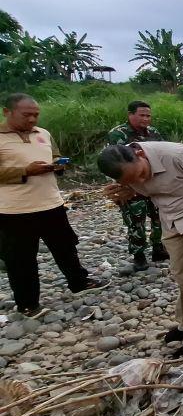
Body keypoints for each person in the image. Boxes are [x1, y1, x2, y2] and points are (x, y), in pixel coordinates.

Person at [98, 141, 183, 356]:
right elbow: (143, 192)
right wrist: (126, 195)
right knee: (180, 273)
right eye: (133, 181)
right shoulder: (128, 173)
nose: (141, 181)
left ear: (139, 153)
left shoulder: (177, 155)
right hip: (170, 218)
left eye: (141, 174)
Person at [0, 94, 108, 318]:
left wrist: (57, 165)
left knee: (66, 247)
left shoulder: (44, 133)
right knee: (20, 259)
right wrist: (24, 171)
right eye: (26, 115)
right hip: (14, 211)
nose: (32, 120)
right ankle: (27, 303)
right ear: (7, 112)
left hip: (51, 203)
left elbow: (55, 155)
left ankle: (78, 282)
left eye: (36, 115)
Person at [107, 101, 168, 272]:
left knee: (159, 218)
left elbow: (162, 154)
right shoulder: (118, 134)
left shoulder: (154, 133)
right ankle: (139, 255)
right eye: (142, 115)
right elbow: (113, 163)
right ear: (130, 114)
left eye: (148, 115)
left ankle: (158, 248)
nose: (146, 119)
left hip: (153, 182)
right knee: (135, 222)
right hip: (131, 186)